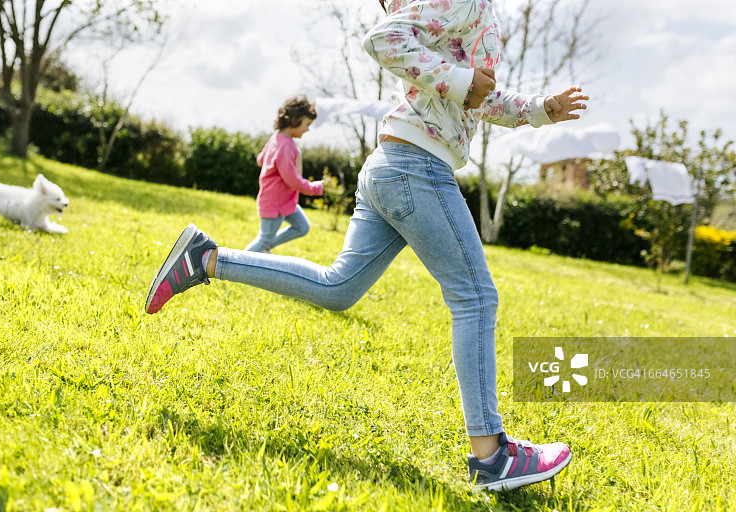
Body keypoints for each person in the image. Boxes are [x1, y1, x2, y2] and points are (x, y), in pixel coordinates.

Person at [145, 0, 589, 491]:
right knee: (475, 296)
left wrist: (538, 110)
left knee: (339, 289)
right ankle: (491, 457)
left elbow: (478, 97)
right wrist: (464, 84)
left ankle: (205, 259)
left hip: (394, 163)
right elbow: (384, 39)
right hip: (416, 166)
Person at [245, 95, 323, 253]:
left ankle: (266, 247)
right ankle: (233, 262)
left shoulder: (276, 138)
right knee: (264, 239)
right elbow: (292, 179)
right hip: (274, 202)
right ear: (295, 119)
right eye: (306, 124)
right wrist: (314, 188)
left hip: (285, 202)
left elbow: (261, 159)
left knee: (302, 227)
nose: (308, 129)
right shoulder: (286, 146)